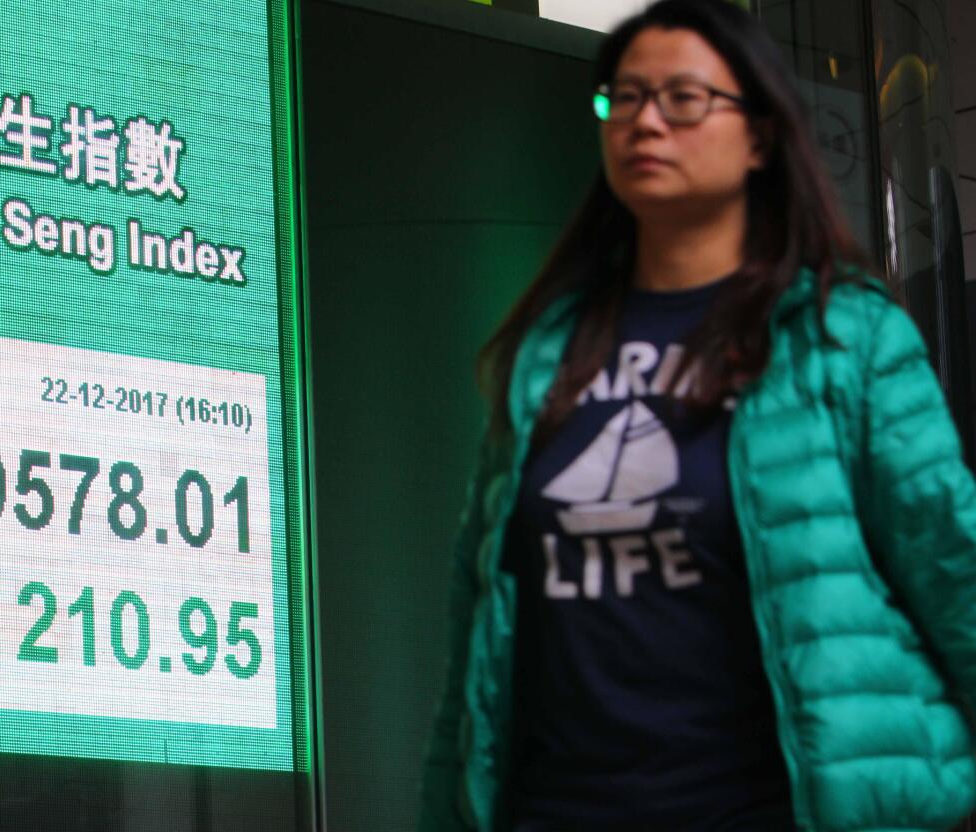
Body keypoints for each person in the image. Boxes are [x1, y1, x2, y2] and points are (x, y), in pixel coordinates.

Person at [417, 1, 976, 830]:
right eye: (624, 97)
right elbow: (476, 632)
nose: (644, 121)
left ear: (758, 136)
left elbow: (952, 566)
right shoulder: (545, 353)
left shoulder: (841, 335)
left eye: (682, 99)